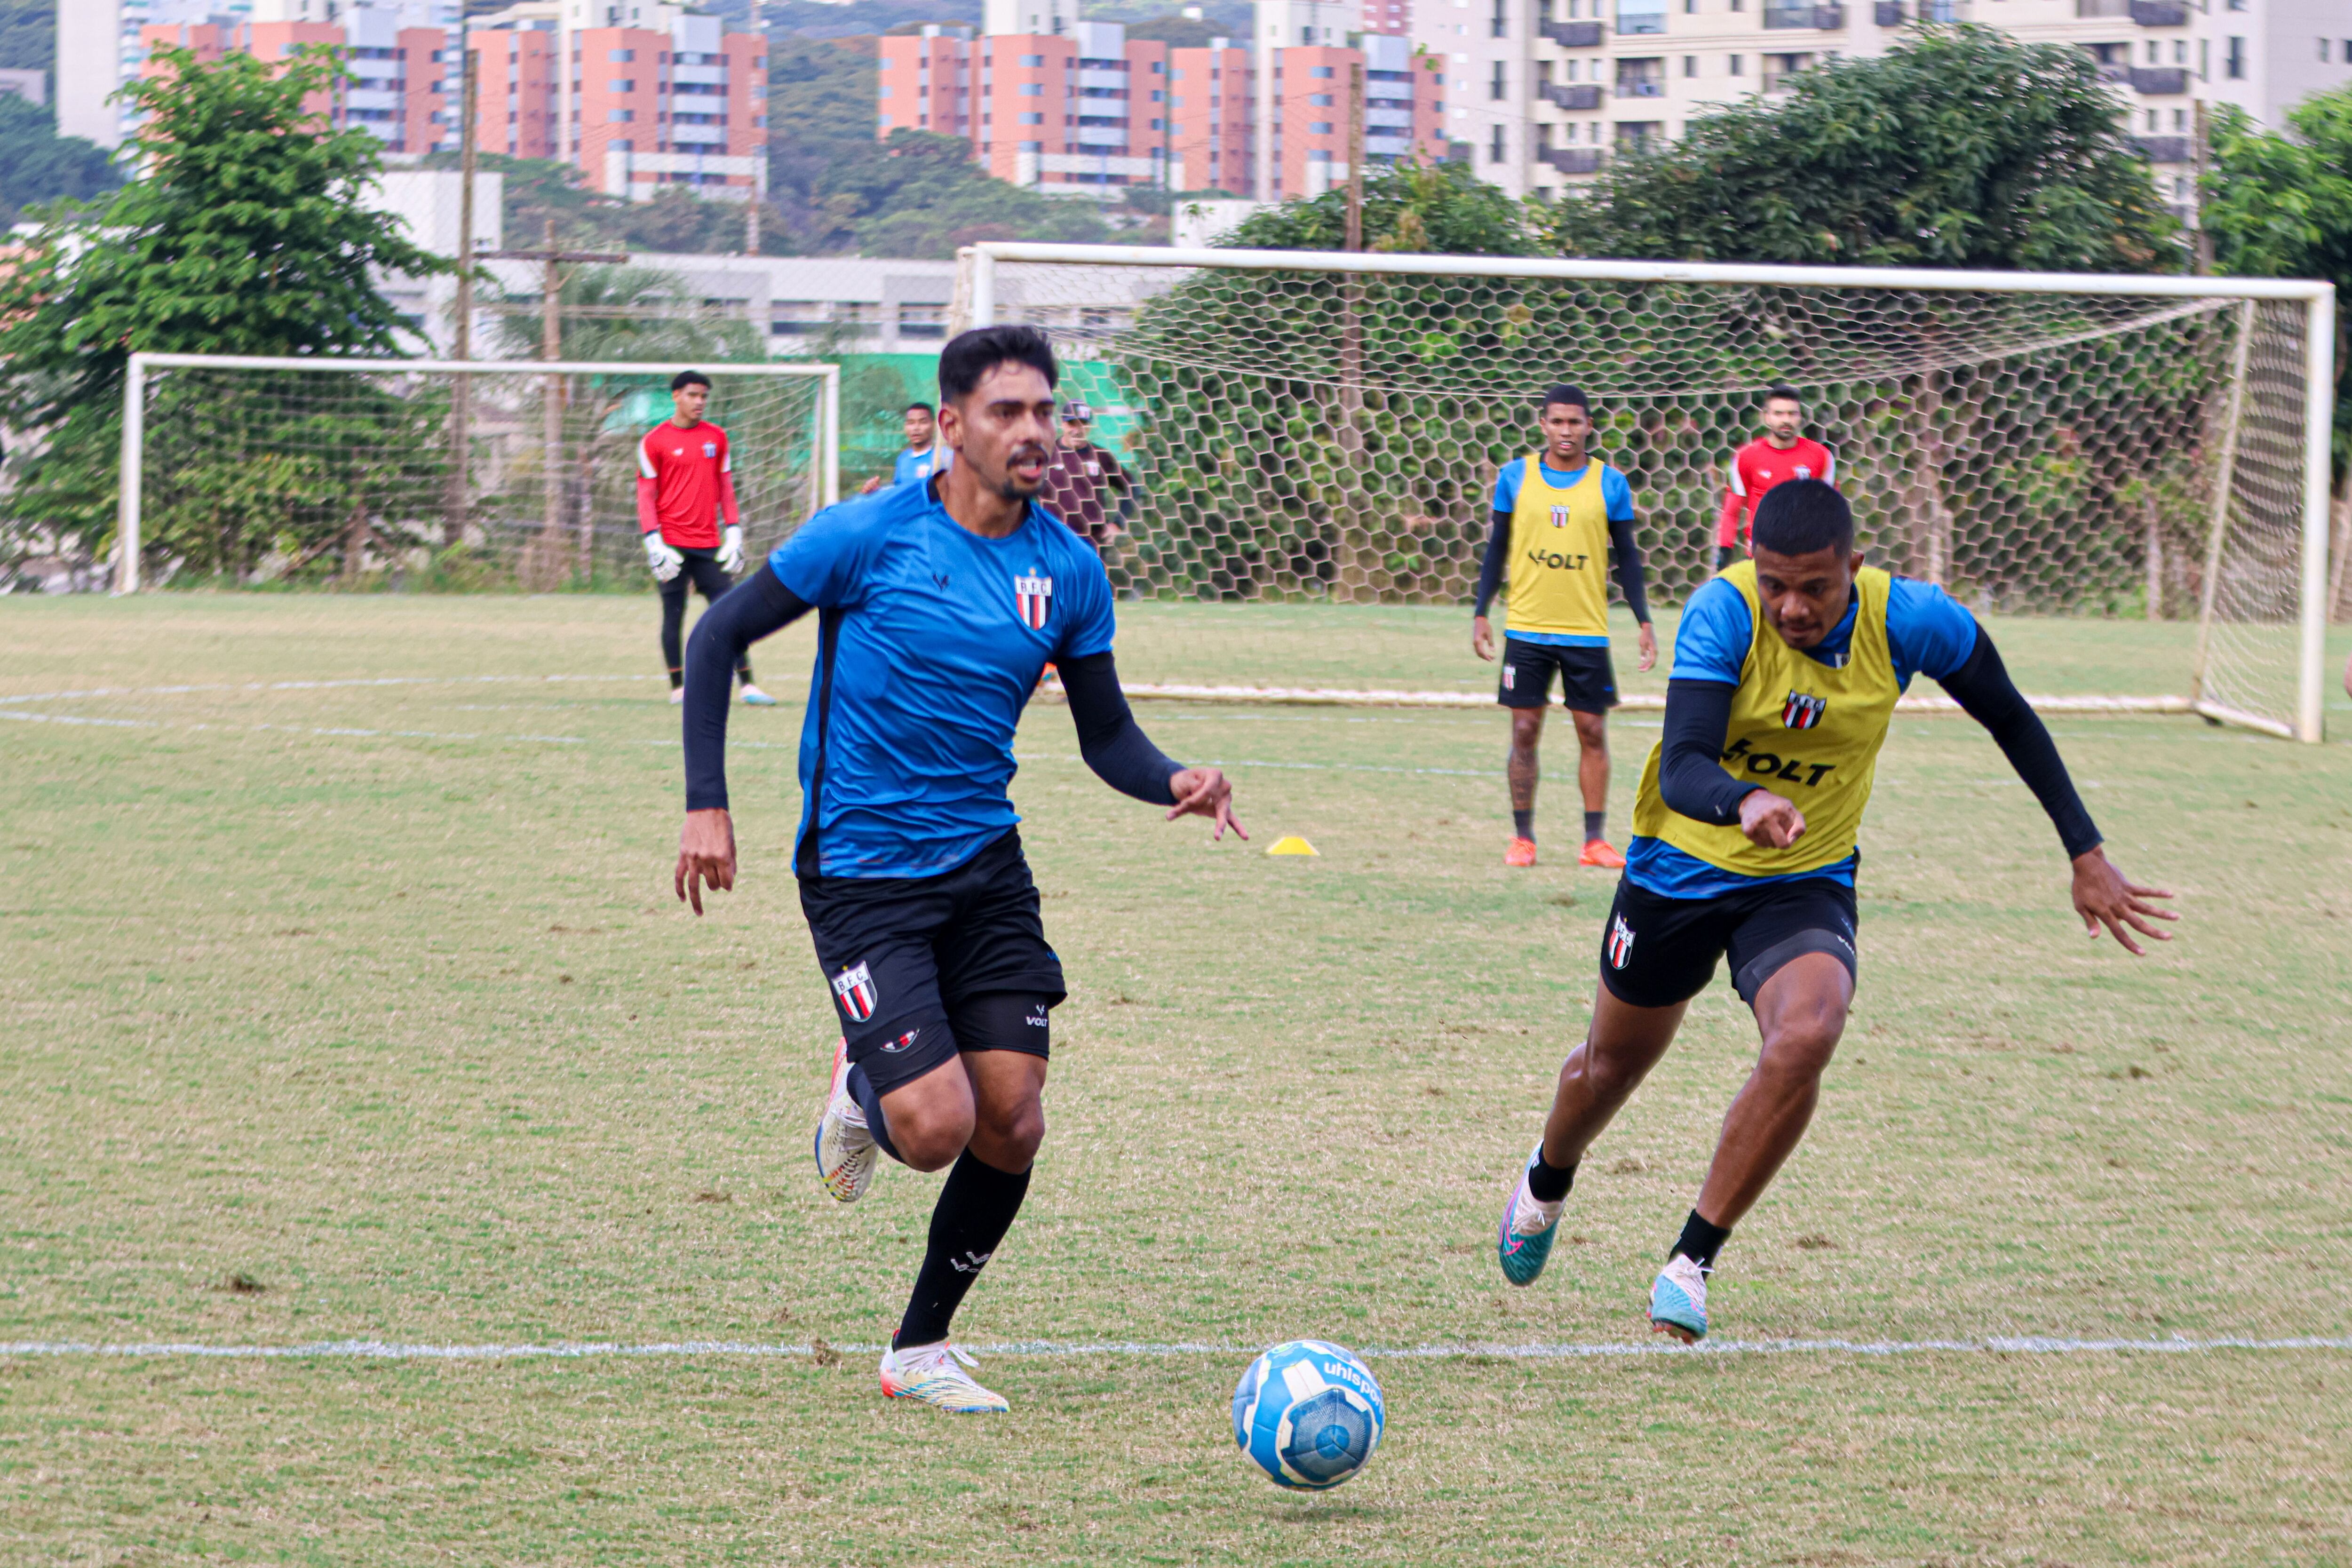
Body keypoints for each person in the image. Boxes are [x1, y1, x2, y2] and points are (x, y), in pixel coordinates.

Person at [671, 325, 1244, 1414]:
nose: (1032, 432)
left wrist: (1173, 777)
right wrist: (708, 805)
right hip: (860, 872)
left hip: (986, 867)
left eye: (1042, 411)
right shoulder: (867, 535)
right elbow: (716, 642)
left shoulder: (1067, 569)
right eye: (1007, 413)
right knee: (932, 1129)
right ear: (951, 425)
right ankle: (862, 1087)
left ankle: (919, 1348)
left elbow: (1105, 735)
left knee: (1014, 1117)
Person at [1492, 479, 2178, 1343]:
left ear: (1853, 567)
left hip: (1803, 873)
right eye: (1775, 582)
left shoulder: (1915, 621)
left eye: (1815, 586)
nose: (1792, 605)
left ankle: (1691, 1260)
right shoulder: (1722, 613)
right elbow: (1684, 765)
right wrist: (1742, 801)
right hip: (1678, 866)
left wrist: (2086, 851)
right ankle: (1549, 1178)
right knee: (1609, 1069)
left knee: (1809, 1029)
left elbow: (2011, 716)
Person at [1471, 384, 1659, 871]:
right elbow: (1496, 550)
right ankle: (1522, 839)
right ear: (1543, 425)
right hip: (1527, 629)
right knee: (1525, 729)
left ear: (1588, 426)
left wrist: (1643, 619)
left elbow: (1627, 559)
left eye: (1574, 422)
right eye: (1556, 422)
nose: (1565, 431)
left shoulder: (1609, 484)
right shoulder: (1515, 477)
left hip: (1586, 632)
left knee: (1592, 731)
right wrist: (1480, 612)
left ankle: (1594, 841)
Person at [638, 370, 774, 707]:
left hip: (709, 544)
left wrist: (734, 532)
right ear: (676, 396)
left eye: (704, 396)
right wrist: (654, 543)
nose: (700, 402)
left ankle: (747, 685)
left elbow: (726, 488)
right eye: (693, 395)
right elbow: (646, 496)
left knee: (731, 613)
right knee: (674, 614)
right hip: (670, 545)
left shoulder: (717, 437)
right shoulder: (653, 441)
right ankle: (678, 687)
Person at [1716, 386, 1836, 572]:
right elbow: (1732, 510)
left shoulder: (1821, 457)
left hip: (1808, 558)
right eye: (1779, 414)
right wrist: (1725, 551)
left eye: (1792, 414)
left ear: (1800, 417)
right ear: (1766, 417)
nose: (1786, 420)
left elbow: (1834, 509)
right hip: (1762, 559)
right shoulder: (1746, 457)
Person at [1038, 400, 1134, 550]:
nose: (1078, 430)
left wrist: (1118, 524)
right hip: (1052, 541)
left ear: (1089, 427)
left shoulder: (1100, 456)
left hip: (1092, 544)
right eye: (1072, 424)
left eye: (1083, 424)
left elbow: (1131, 486)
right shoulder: (1045, 456)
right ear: (1062, 424)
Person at [859, 402, 951, 494]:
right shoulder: (904, 459)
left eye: (923, 422)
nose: (916, 428)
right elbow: (899, 492)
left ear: (934, 425)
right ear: (905, 427)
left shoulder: (945, 456)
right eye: (911, 423)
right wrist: (877, 491)